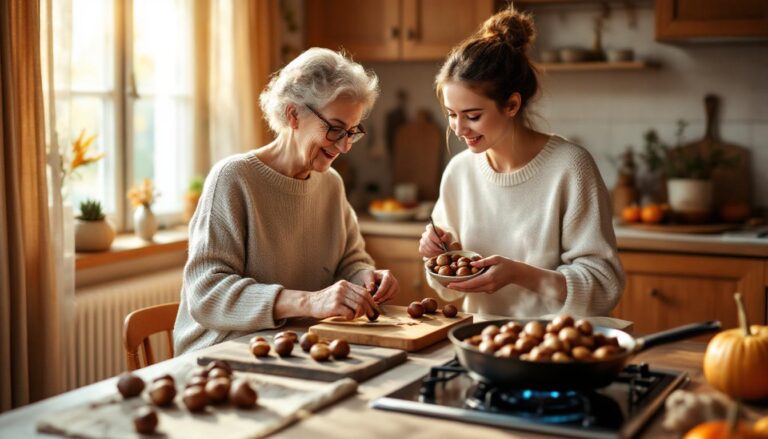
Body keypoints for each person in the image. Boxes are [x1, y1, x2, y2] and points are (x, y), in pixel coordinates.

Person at [175, 48, 399, 355]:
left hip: (295, 349)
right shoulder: (234, 178)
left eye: (351, 132)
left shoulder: (331, 184)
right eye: (335, 129)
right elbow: (206, 294)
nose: (345, 146)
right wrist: (309, 301)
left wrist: (365, 278)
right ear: (293, 114)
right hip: (221, 354)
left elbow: (350, 261)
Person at [418, 7, 625, 319]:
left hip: (555, 341)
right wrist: (438, 255)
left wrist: (518, 274)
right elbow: (447, 288)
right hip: (479, 338)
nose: (459, 129)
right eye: (451, 114)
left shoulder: (570, 167)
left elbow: (604, 285)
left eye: (472, 116)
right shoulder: (459, 172)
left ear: (512, 105)